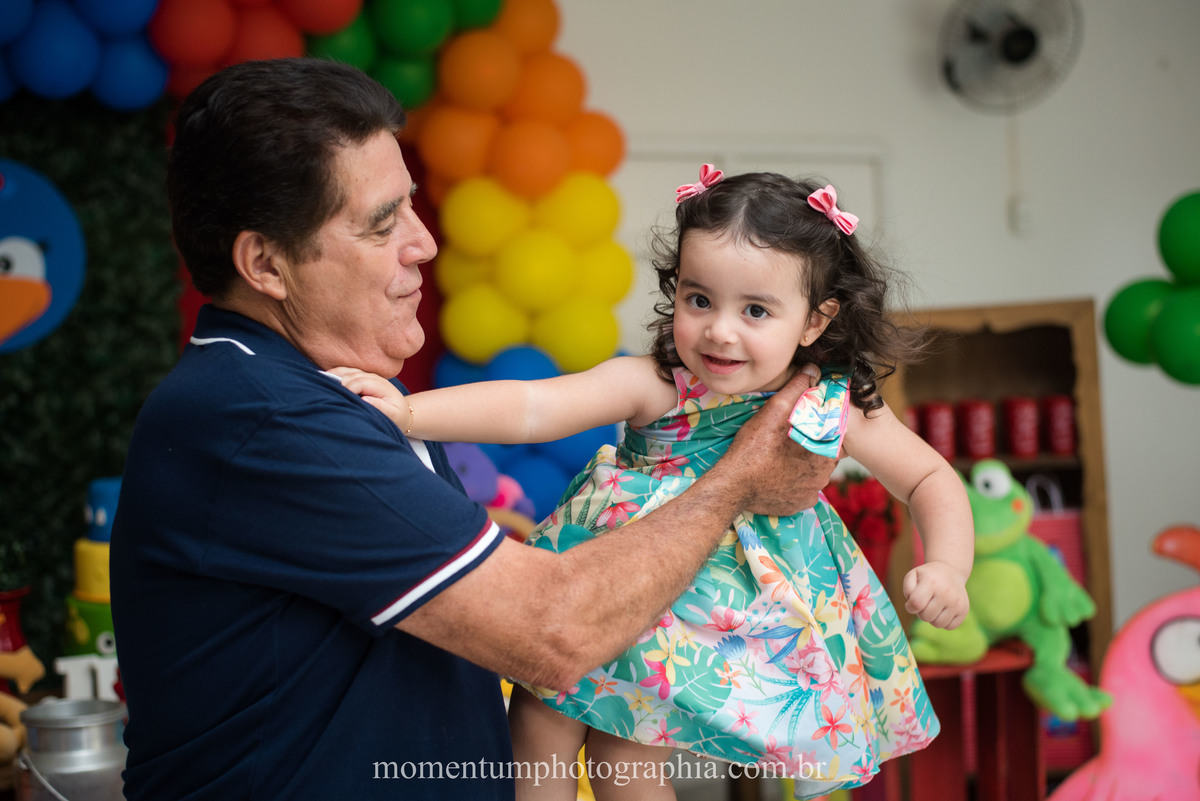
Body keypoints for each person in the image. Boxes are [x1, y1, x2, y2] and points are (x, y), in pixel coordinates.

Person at [107, 60, 835, 801]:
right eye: (382, 223)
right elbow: (554, 631)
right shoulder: (265, 414)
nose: (423, 243)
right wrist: (736, 478)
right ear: (265, 263)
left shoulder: (320, 389)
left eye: (412, 209)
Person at [332, 166, 974, 800]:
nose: (720, 329)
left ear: (814, 321)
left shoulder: (830, 402)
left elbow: (927, 477)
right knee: (538, 717)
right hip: (615, 575)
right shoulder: (657, 382)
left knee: (625, 753)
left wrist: (947, 565)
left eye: (755, 310)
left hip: (714, 614)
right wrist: (411, 411)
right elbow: (534, 406)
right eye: (700, 300)